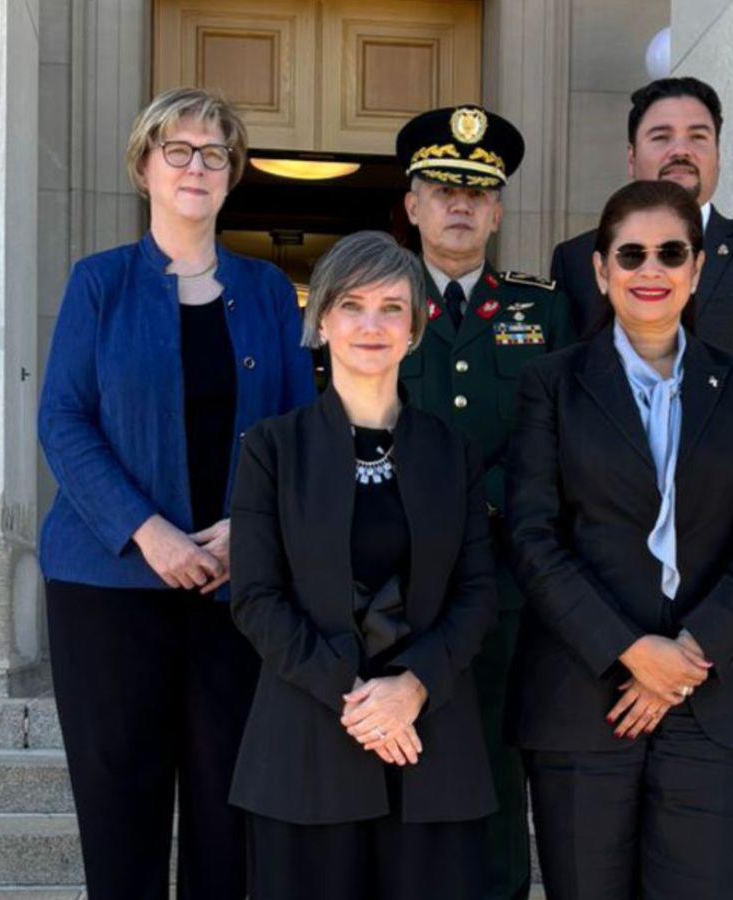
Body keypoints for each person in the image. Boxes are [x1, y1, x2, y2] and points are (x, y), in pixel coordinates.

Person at [37, 87, 314, 900]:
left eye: (216, 153)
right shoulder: (100, 284)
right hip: (107, 585)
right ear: (145, 167)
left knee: (229, 814)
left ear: (233, 176)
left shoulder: (267, 292)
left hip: (237, 591)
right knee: (120, 805)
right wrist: (147, 530)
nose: (198, 166)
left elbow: (298, 431)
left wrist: (249, 531)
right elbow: (62, 420)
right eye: (179, 151)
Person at [507, 180, 733, 899]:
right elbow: (534, 537)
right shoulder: (550, 384)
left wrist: (686, 659)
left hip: (712, 697)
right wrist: (634, 653)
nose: (651, 269)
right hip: (585, 695)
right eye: (630, 254)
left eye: (671, 252)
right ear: (602, 272)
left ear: (697, 268)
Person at [228, 230, 498, 900]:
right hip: (306, 748)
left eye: (391, 307)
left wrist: (411, 689)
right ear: (321, 320)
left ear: (415, 326)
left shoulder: (451, 451)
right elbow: (256, 598)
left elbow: (477, 594)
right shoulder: (272, 449)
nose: (371, 324)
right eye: (352, 305)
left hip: (430, 745)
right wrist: (358, 701)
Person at [550, 76, 733, 613]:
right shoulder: (579, 260)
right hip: (603, 553)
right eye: (661, 136)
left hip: (731, 553)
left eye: (698, 136)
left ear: (718, 154)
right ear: (632, 157)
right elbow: (561, 405)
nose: (681, 149)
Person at [394, 105, 575, 900]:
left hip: (508, 580)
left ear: (499, 209)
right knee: (401, 749)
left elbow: (560, 438)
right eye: (441, 187)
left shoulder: (545, 310)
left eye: (477, 190)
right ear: (412, 205)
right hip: (396, 577)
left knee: (501, 751)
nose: (459, 203)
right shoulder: (375, 305)